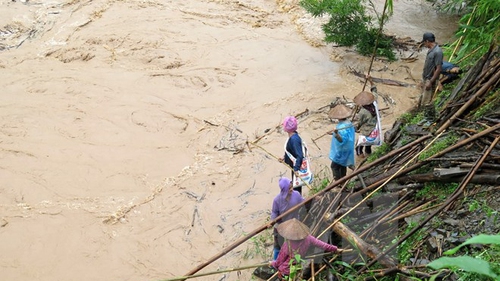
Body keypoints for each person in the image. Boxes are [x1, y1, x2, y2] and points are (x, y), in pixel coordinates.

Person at [270, 218, 341, 279]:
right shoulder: (309, 238)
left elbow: (280, 260)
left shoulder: (287, 244)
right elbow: (323, 245)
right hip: (297, 269)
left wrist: (273, 264)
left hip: (285, 271)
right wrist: (335, 249)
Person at [271, 177, 305, 260]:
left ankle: (291, 259)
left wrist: (315, 198)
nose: (291, 189)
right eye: (289, 188)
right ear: (284, 189)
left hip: (293, 224)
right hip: (281, 225)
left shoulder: (296, 195)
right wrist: (272, 221)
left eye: (292, 187)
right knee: (278, 245)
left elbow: (303, 201)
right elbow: (274, 212)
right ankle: (275, 262)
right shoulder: (277, 200)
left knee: (294, 243)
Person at [354, 75, 383, 157]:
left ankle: (360, 157)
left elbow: (359, 123)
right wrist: (370, 80)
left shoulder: (363, 112)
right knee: (368, 146)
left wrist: (356, 128)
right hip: (374, 129)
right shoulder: (374, 103)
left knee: (359, 146)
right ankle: (368, 154)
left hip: (366, 131)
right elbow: (374, 90)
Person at [328, 104, 355, 181]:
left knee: (334, 166)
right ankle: (343, 180)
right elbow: (346, 136)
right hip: (348, 149)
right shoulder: (348, 123)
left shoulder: (341, 127)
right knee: (343, 165)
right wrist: (333, 133)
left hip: (342, 150)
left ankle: (338, 182)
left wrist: (336, 134)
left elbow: (341, 140)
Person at [280, 116, 305, 194]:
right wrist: (284, 158)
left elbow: (299, 155)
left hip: (296, 167)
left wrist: (296, 169)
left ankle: (298, 202)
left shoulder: (294, 140)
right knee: (296, 186)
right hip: (294, 166)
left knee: (297, 187)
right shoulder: (292, 137)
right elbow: (292, 151)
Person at [420, 32, 443, 107]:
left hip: (430, 80)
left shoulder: (438, 52)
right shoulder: (431, 50)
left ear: (427, 41)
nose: (424, 45)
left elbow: (438, 69)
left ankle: (423, 115)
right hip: (426, 78)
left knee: (426, 102)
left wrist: (430, 82)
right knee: (422, 97)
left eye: (424, 42)